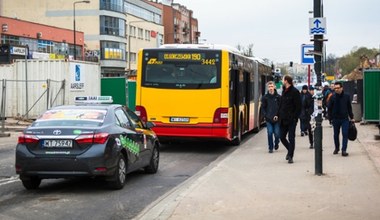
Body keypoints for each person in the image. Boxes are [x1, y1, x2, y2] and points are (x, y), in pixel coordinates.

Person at [277, 75, 301, 163]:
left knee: (291, 138)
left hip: (291, 119)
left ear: (286, 81)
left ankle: (290, 156)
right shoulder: (284, 91)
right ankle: (289, 150)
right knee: (281, 136)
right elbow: (281, 105)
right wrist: (278, 114)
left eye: (283, 79)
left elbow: (299, 106)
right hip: (283, 119)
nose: (282, 81)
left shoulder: (295, 92)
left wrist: (295, 117)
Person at [328, 81, 355, 157]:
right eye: (335, 88)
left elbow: (349, 108)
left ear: (342, 88)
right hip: (335, 119)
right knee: (336, 135)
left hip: (344, 119)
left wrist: (352, 117)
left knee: (345, 134)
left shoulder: (346, 96)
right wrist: (330, 119)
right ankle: (337, 148)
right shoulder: (332, 97)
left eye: (338, 88)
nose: (336, 89)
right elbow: (329, 108)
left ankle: (344, 150)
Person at [261, 81, 281, 153]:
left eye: (272, 86)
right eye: (269, 87)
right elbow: (263, 108)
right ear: (267, 88)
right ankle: (270, 147)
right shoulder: (265, 97)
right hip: (268, 119)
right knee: (269, 133)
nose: (271, 88)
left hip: (277, 119)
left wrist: (278, 115)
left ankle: (276, 143)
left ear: (274, 87)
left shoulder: (278, 97)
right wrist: (265, 115)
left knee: (277, 133)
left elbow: (281, 107)